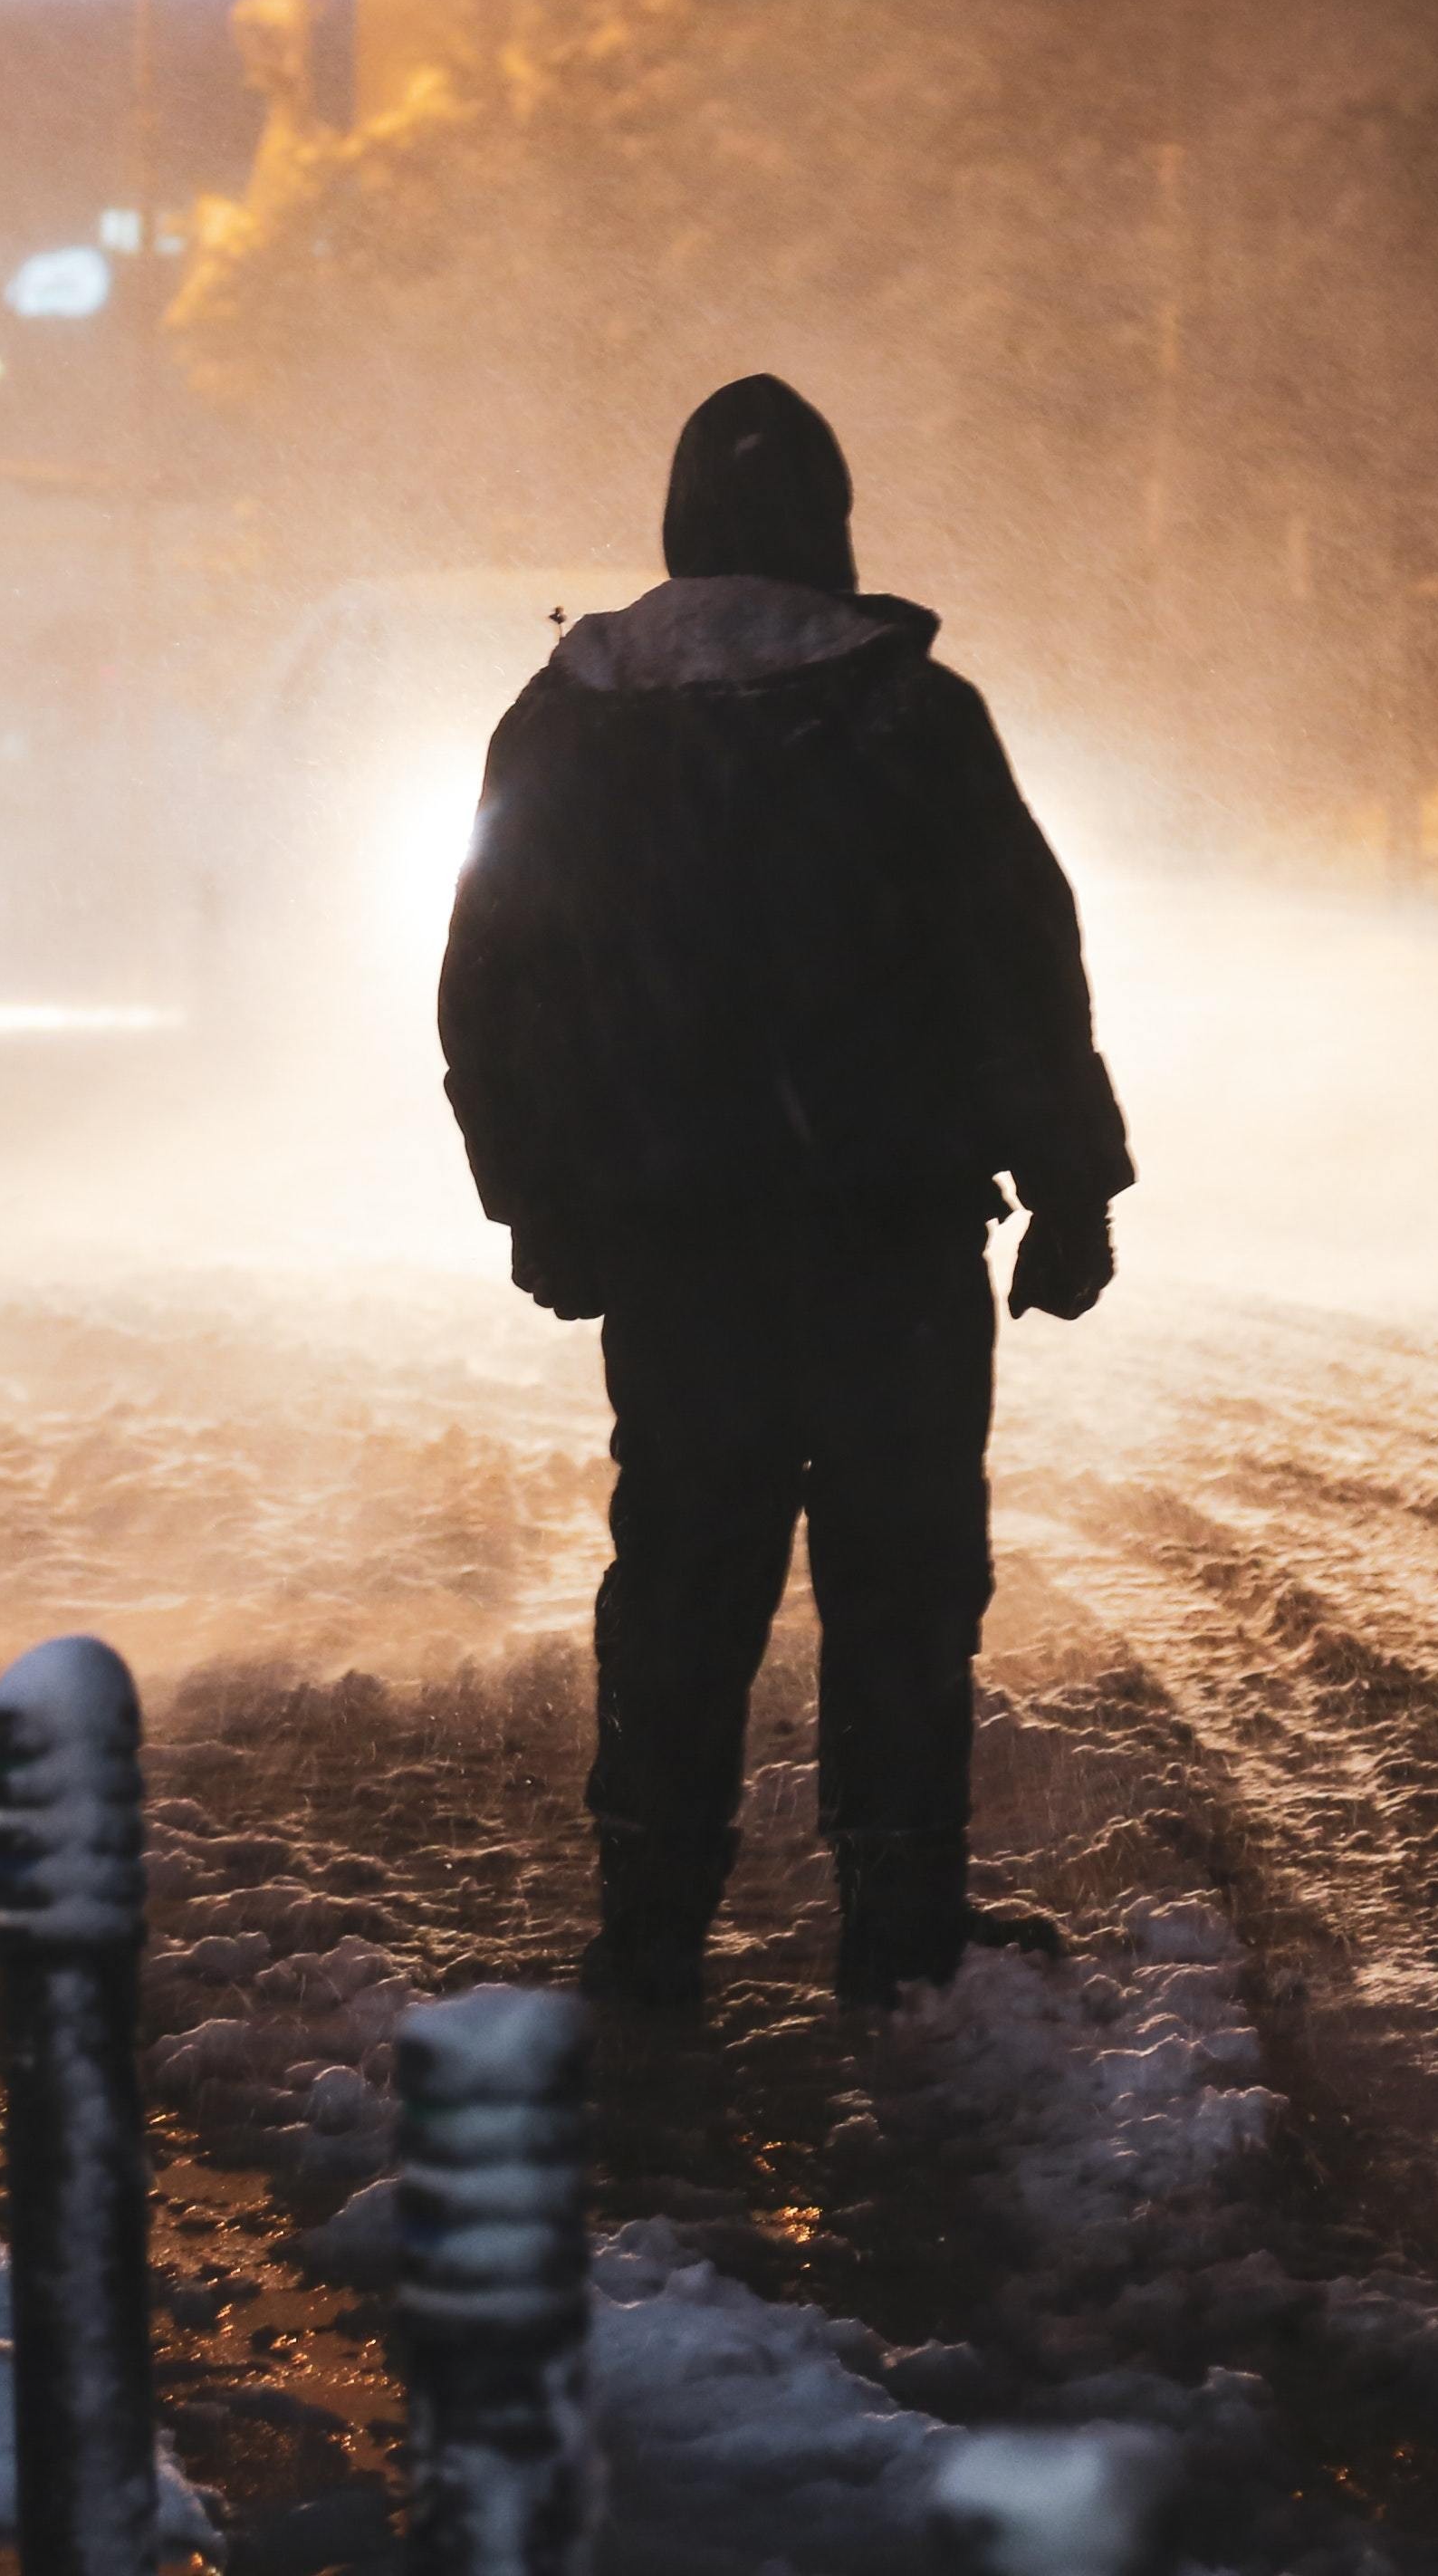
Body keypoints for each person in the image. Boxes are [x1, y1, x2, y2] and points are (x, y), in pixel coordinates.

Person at [437, 375, 1131, 2012]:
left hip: (683, 1245)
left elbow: (492, 983)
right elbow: (1021, 964)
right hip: (888, 1232)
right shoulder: (910, 715)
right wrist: (1071, 1187)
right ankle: (898, 1922)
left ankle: (652, 1919)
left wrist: (538, 1193)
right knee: (902, 1571)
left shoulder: (566, 726)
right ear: (828, 533)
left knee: (682, 1564)